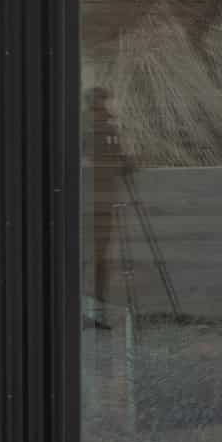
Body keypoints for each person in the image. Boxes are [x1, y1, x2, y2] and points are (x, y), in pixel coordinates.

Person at [84, 85, 131, 329]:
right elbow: (121, 163)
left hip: (96, 206)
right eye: (99, 106)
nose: (101, 111)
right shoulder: (98, 132)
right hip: (96, 207)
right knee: (97, 261)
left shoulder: (95, 132)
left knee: (97, 261)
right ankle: (95, 315)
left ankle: (95, 314)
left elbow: (121, 162)